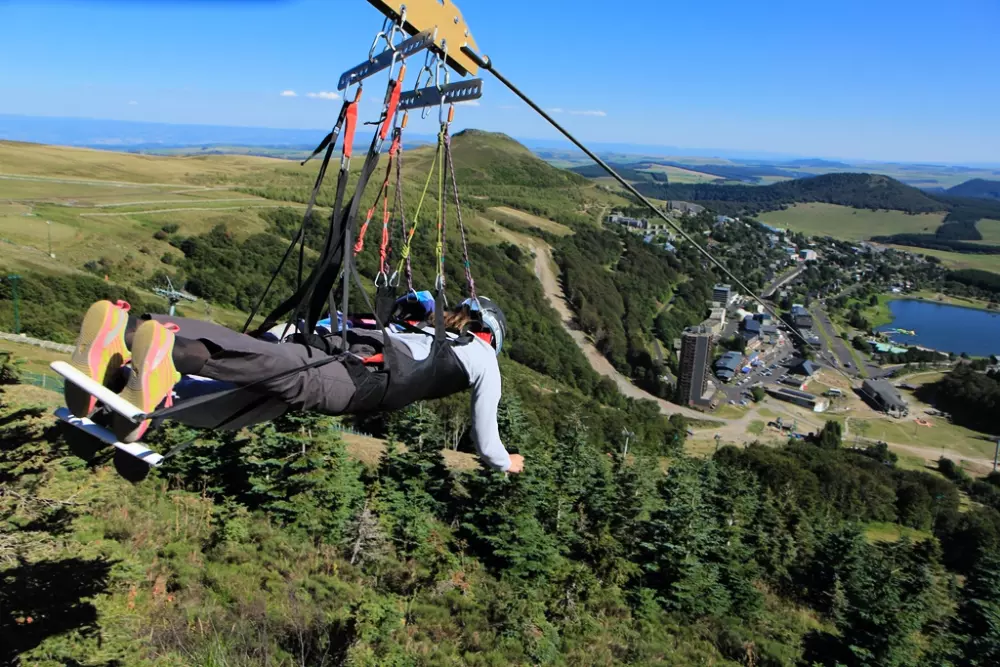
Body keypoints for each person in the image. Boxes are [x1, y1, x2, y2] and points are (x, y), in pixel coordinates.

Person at [65, 298, 524, 474]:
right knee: (252, 364)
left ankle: (133, 395)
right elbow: (487, 443)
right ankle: (139, 340)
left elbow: (384, 313)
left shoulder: (423, 325)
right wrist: (507, 463)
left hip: (329, 349)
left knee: (252, 402)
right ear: (494, 337)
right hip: (347, 380)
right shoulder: (482, 358)